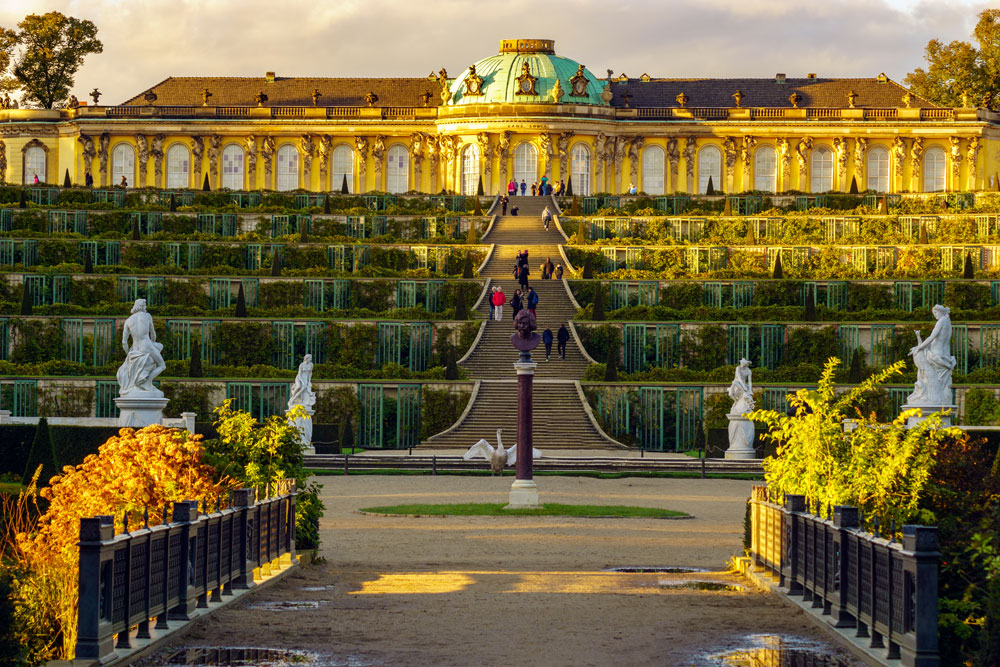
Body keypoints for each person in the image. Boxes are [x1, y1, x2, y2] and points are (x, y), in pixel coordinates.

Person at [907, 304, 957, 406]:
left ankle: (922, 393)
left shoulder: (941, 322)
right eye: (934, 313)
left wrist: (919, 348)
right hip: (943, 354)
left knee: (921, 362)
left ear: (941, 312)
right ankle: (923, 392)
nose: (935, 315)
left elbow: (931, 337)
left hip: (935, 354)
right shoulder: (948, 322)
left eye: (936, 313)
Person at [116, 299, 166, 395]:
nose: (146, 307)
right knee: (162, 365)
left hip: (135, 348)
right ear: (142, 306)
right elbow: (153, 334)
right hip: (146, 345)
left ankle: (144, 382)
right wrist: (152, 345)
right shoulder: (147, 316)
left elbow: (124, 342)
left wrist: (129, 355)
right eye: (145, 305)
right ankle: (146, 383)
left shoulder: (128, 320)